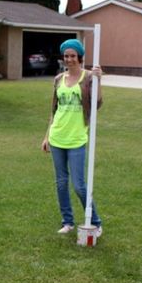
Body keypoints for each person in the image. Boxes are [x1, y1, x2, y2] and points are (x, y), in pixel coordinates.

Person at [41, 38, 103, 235]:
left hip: (77, 138)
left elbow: (97, 103)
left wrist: (99, 79)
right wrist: (46, 136)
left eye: (73, 56)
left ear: (80, 57)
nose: (69, 59)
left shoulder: (88, 77)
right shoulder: (58, 79)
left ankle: (95, 222)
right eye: (66, 56)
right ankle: (67, 221)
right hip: (57, 136)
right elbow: (54, 110)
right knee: (61, 182)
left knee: (79, 186)